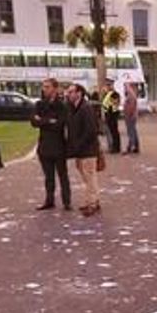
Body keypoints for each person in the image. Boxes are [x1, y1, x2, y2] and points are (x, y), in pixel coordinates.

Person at [31, 78, 70, 211]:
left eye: (47, 87)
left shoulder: (62, 106)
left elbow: (60, 124)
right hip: (44, 146)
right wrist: (49, 121)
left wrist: (42, 120)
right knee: (48, 177)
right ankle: (49, 200)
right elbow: (33, 122)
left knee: (63, 175)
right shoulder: (39, 104)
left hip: (59, 146)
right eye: (44, 87)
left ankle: (67, 201)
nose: (44, 89)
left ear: (55, 88)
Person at [64, 82, 102, 216]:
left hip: (88, 150)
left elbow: (91, 130)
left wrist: (79, 144)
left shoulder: (85, 108)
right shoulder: (73, 108)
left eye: (71, 92)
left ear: (79, 93)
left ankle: (91, 203)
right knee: (88, 177)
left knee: (89, 176)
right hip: (80, 150)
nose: (68, 94)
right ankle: (93, 200)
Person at [100, 80, 122, 154]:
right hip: (109, 115)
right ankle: (114, 147)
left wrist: (110, 115)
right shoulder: (108, 94)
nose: (105, 87)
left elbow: (114, 105)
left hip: (112, 116)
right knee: (112, 132)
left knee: (114, 132)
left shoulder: (114, 94)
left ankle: (115, 148)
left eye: (107, 85)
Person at [123, 82, 141, 154]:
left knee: (131, 131)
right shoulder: (131, 95)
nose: (124, 89)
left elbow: (131, 106)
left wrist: (128, 114)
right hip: (132, 116)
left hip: (130, 116)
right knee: (133, 130)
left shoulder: (130, 96)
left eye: (125, 87)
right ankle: (135, 146)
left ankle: (131, 146)